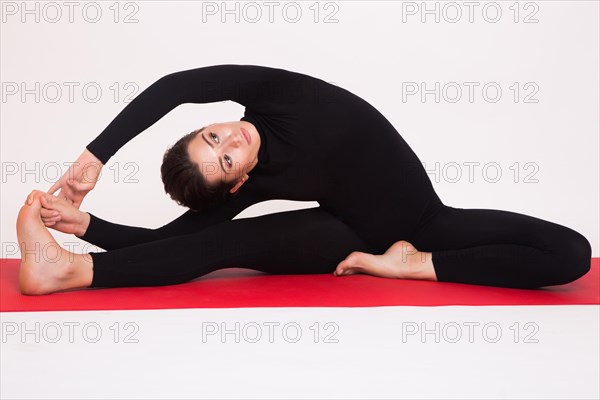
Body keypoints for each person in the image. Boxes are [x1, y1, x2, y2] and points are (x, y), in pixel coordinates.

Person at [17, 64, 592, 295]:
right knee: (223, 244)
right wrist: (87, 226)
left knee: (571, 253)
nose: (228, 143)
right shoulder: (254, 184)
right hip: (344, 238)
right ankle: (70, 269)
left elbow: (174, 85)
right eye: (221, 161)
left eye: (211, 136)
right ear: (236, 183)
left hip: (427, 225)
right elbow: (175, 241)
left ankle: (411, 264)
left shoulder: (275, 96)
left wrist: (96, 155)